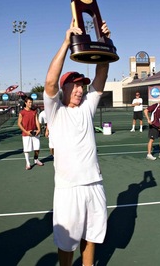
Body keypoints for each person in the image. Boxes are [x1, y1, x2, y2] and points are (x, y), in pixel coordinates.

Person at [43, 19, 110, 266]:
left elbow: (102, 71)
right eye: (76, 85)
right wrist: (65, 42)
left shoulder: (87, 108)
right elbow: (50, 82)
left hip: (94, 184)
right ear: (65, 88)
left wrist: (103, 41)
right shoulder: (55, 111)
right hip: (68, 189)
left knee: (91, 237)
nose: (81, 89)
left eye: (83, 85)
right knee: (67, 243)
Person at [18, 96, 44, 170]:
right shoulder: (22, 112)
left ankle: (36, 160)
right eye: (29, 102)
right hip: (26, 134)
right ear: (25, 103)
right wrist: (26, 131)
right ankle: (28, 163)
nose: (30, 104)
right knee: (27, 149)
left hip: (35, 133)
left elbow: (36, 120)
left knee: (37, 148)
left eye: (31, 102)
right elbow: (19, 124)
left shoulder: (34, 111)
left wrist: (39, 129)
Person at [144, 95, 160, 160]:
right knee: (152, 140)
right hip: (154, 125)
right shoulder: (155, 106)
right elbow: (145, 111)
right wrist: (148, 119)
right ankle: (149, 154)